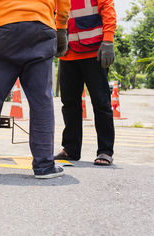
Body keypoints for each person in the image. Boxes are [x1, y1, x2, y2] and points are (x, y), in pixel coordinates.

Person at [0, 0, 71, 178]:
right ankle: (45, 165)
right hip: (40, 27)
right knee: (42, 102)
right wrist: (62, 28)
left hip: (2, 29)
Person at [54, 0, 116, 166]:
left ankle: (105, 150)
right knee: (69, 103)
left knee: (101, 102)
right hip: (67, 53)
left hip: (94, 52)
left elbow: (107, 8)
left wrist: (109, 40)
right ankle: (70, 149)